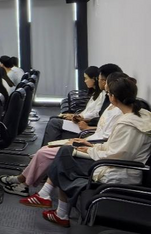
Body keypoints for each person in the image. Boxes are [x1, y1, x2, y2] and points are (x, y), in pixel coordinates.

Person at [20, 76, 151, 228]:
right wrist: (92, 147)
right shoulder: (140, 115)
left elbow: (115, 154)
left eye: (109, 94)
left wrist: (91, 150)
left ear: (113, 98)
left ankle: (56, 208)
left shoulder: (127, 124)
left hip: (117, 171)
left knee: (65, 157)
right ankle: (54, 206)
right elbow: (115, 147)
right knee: (65, 154)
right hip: (115, 163)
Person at [0, 72, 128, 197]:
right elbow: (99, 125)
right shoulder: (109, 105)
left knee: (45, 150)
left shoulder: (120, 115)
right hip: (90, 138)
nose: (104, 87)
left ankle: (25, 184)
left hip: (91, 142)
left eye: (106, 86)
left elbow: (107, 139)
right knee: (47, 144)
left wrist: (87, 137)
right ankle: (24, 179)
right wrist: (79, 120)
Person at [41, 64, 122, 146]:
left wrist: (84, 121)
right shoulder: (105, 98)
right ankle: (46, 149)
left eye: (99, 79)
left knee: (54, 123)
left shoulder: (109, 101)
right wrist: (78, 117)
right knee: (54, 121)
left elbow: (98, 117)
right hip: (88, 127)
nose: (85, 81)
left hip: (90, 131)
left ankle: (46, 149)